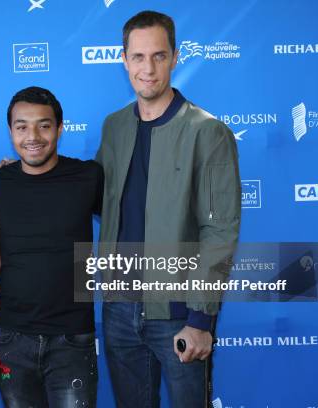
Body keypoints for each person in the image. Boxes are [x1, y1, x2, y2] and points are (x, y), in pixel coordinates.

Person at [96, 10, 241, 408]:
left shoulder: (207, 131)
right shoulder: (114, 128)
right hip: (120, 311)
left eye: (159, 56)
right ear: (123, 59)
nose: (148, 68)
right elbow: (98, 198)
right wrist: (23, 174)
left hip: (179, 316)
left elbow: (219, 231)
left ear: (175, 57)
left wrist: (199, 320)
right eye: (138, 57)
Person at [0, 86, 103, 407]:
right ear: (10, 131)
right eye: (22, 126)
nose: (32, 136)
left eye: (44, 125)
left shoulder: (88, 176)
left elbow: (130, 222)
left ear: (60, 129)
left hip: (72, 337)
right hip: (11, 336)